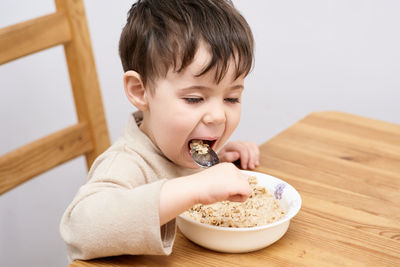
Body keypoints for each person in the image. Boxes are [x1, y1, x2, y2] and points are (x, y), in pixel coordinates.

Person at [60, 0, 259, 261]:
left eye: (231, 98)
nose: (218, 116)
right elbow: (80, 229)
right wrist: (196, 187)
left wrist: (219, 160)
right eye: (194, 99)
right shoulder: (126, 163)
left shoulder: (181, 145)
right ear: (140, 91)